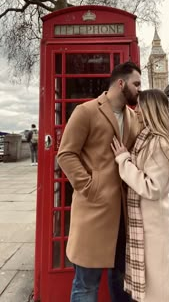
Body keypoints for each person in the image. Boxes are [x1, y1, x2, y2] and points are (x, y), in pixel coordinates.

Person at [57, 61, 142, 302]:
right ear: (121, 83)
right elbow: (65, 154)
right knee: (86, 285)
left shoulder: (133, 117)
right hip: (93, 214)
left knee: (123, 284)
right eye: (136, 84)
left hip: (124, 217)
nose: (139, 90)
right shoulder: (87, 111)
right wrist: (89, 187)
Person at [111, 89, 169, 302]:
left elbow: (152, 187)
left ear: (150, 109)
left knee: (162, 285)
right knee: (155, 283)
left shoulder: (160, 143)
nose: (135, 110)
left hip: (154, 225)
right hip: (147, 222)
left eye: (139, 106)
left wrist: (123, 160)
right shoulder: (147, 138)